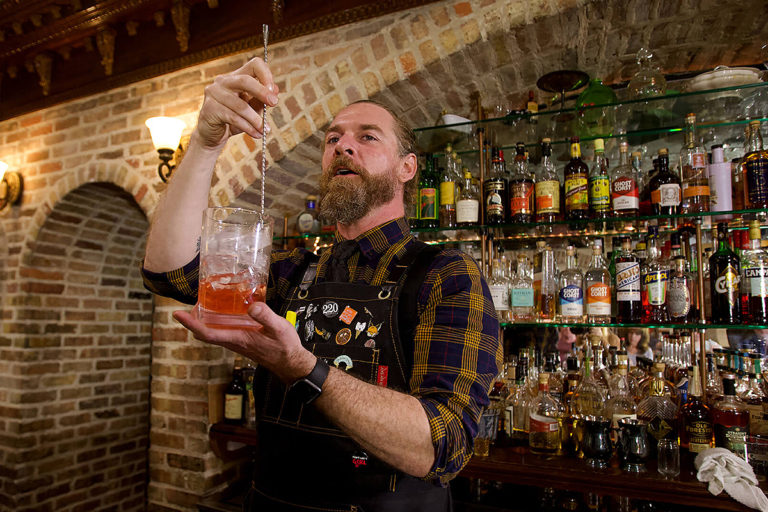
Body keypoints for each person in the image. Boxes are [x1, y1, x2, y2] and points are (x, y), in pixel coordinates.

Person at [141, 57, 501, 511]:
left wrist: (302, 368)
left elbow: (441, 446)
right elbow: (167, 270)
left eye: (366, 137)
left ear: (407, 168)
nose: (342, 147)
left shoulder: (446, 274)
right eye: (333, 139)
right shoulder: (293, 271)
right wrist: (206, 142)